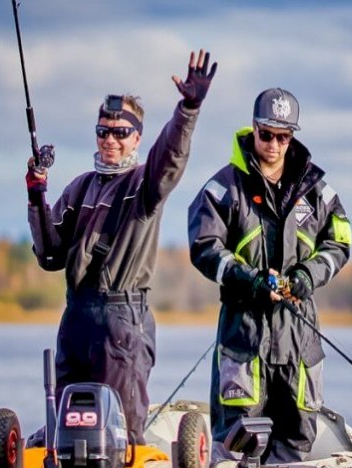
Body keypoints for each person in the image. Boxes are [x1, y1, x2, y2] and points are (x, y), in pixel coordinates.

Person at [26, 50, 217, 444]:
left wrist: (188, 108)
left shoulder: (144, 185)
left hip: (122, 322)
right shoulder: (80, 187)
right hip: (76, 315)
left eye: (120, 132)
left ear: (137, 137)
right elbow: (49, 255)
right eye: (103, 131)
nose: (110, 140)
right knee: (69, 428)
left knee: (119, 434)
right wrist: (36, 196)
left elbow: (171, 158)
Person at [188, 88, 352, 463]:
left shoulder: (318, 191)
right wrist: (249, 279)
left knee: (297, 435)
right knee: (238, 439)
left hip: (299, 333)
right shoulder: (224, 188)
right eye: (267, 134)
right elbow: (204, 247)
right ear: (254, 129)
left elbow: (339, 243)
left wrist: (306, 277)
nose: (274, 145)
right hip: (244, 333)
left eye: (283, 136)